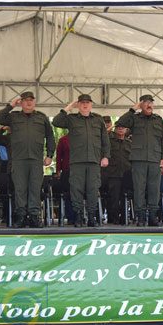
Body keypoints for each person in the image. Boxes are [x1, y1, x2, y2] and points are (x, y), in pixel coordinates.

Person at [0, 91, 55, 228]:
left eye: (31, 100)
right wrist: (11, 106)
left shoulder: (42, 117)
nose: (28, 102)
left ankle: (34, 216)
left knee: (35, 188)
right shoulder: (13, 117)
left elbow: (50, 136)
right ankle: (20, 216)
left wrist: (50, 155)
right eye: (25, 100)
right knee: (20, 189)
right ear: (21, 102)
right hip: (18, 160)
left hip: (36, 159)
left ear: (34, 102)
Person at [52, 94, 110, 227]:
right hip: (77, 161)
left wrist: (106, 156)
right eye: (82, 102)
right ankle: (78, 216)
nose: (85, 105)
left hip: (94, 161)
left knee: (93, 189)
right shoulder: (72, 119)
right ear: (78, 105)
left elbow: (105, 140)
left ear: (91, 104)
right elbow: (56, 121)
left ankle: (91, 216)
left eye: (87, 102)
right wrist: (69, 107)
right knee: (76, 189)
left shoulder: (98, 120)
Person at [116, 94, 163, 226]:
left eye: (151, 102)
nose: (149, 105)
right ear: (141, 105)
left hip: (155, 159)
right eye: (146, 102)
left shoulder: (158, 120)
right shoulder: (135, 118)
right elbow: (120, 123)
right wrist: (133, 109)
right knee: (139, 188)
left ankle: (152, 216)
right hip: (138, 159)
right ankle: (140, 217)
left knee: (154, 189)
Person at [104, 125, 132, 224]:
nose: (120, 129)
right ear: (114, 129)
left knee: (125, 197)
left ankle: (124, 218)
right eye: (118, 127)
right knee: (113, 198)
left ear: (126, 129)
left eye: (122, 127)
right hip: (113, 174)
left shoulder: (130, 143)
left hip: (126, 174)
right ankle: (113, 218)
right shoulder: (109, 142)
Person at [55, 133, 75, 224]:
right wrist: (58, 170)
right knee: (68, 193)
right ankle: (71, 217)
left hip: (80, 170)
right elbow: (59, 157)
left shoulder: (83, 138)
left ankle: (80, 214)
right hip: (67, 170)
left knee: (79, 192)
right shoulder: (63, 140)